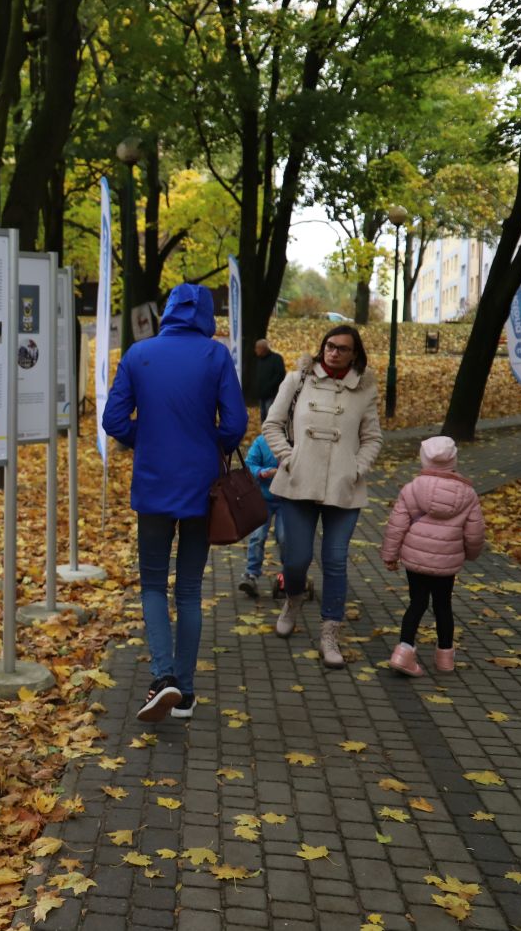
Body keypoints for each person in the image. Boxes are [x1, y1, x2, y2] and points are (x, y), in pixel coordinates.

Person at [103, 283, 246, 722]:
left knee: (151, 584)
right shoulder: (215, 354)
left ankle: (161, 676)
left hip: (153, 482)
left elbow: (113, 420)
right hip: (201, 486)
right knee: (187, 589)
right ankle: (183, 692)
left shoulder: (138, 354)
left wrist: (143, 438)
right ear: (205, 313)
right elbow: (236, 423)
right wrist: (210, 442)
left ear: (167, 311)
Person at [262, 324, 382, 669]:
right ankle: (294, 599)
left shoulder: (364, 388)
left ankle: (330, 632)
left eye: (342, 348)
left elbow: (373, 437)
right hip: (299, 482)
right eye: (329, 346)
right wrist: (289, 457)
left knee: (335, 560)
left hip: (343, 487)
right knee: (296, 558)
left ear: (354, 353)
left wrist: (357, 468)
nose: (334, 352)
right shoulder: (297, 379)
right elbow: (272, 424)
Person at [380, 436, 485, 676]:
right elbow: (475, 533)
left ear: (423, 459)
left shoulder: (412, 488)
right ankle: (445, 657)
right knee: (443, 605)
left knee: (417, 603)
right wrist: (469, 554)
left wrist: (390, 555)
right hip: (447, 561)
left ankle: (404, 651)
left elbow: (396, 525)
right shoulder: (468, 494)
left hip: (415, 560)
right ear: (453, 460)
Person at [239, 431, 283, 597]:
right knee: (257, 536)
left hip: (287, 501)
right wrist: (261, 472)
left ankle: (288, 573)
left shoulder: (296, 441)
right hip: (264, 498)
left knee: (285, 537)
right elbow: (249, 464)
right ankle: (251, 574)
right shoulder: (262, 441)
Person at [255, 339, 286, 421]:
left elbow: (280, 375)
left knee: (270, 415)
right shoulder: (259, 360)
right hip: (261, 394)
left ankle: (270, 432)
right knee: (263, 415)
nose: (256, 350)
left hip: (272, 394)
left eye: (257, 348)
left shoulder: (277, 359)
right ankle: (264, 432)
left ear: (263, 348)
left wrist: (269, 387)